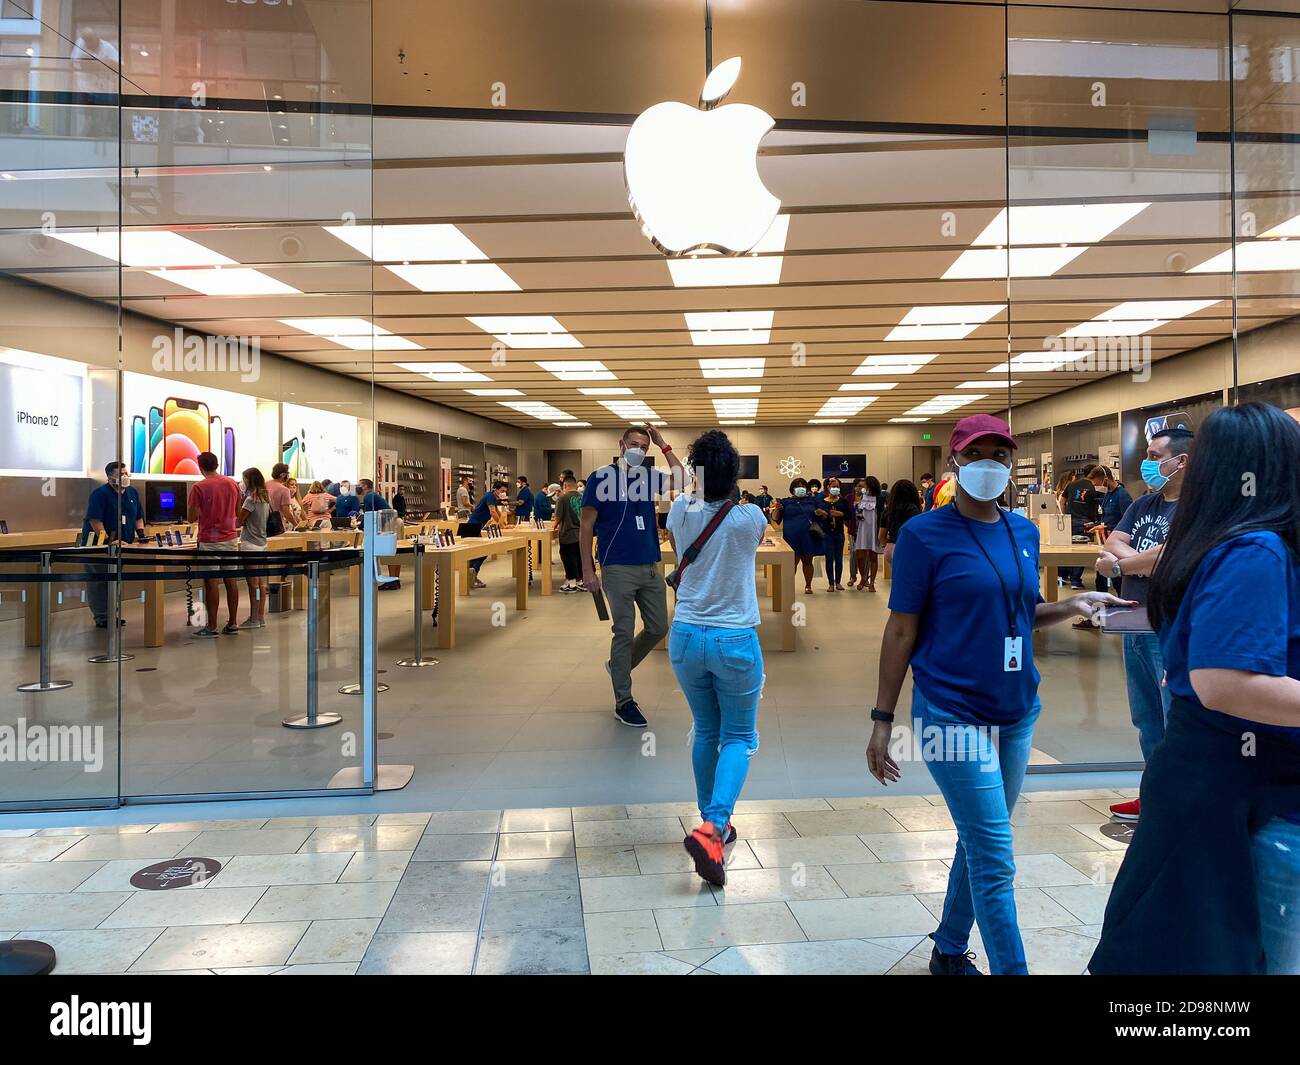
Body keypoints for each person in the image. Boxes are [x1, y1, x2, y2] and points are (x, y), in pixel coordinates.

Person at [866, 414, 1130, 975]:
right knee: (994, 858)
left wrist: (1073, 606)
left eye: (1000, 454)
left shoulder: (1022, 531)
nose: (990, 464)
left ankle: (947, 949)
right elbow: (900, 629)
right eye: (977, 453)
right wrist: (882, 718)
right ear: (953, 463)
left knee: (981, 838)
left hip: (1016, 709)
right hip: (949, 711)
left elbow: (1022, 611)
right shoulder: (922, 535)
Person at [1090, 403, 1300, 975]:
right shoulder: (1254, 552)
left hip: (1221, 787)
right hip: (1244, 798)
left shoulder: (1223, 542)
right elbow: (1224, 682)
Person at [665, 431, 768, 886]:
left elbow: (681, 544)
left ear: (695, 473)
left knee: (706, 729)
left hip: (686, 637)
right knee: (740, 737)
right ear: (734, 474)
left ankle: (711, 826)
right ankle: (715, 824)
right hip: (734, 640)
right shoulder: (751, 518)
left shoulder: (679, 512)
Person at [1095, 427, 1192, 821]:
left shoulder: (1197, 508)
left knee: (1174, 720)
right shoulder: (1145, 504)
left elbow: (1171, 556)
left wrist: (1120, 565)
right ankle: (1153, 795)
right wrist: (1139, 560)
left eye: (1155, 455)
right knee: (1146, 718)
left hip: (1169, 626)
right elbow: (1111, 541)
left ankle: (1178, 803)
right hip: (1132, 623)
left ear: (1181, 461)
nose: (1147, 463)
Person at [581, 425, 683, 727]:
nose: (639, 450)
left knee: (658, 627)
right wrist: (588, 570)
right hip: (617, 567)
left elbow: (684, 479)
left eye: (644, 446)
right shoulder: (601, 478)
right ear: (622, 445)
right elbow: (587, 525)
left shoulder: (649, 478)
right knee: (623, 631)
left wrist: (664, 444)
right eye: (635, 444)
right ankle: (623, 700)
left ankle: (618, 666)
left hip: (650, 565)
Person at [81, 461, 145, 628]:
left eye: (126, 473)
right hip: (99, 547)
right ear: (110, 478)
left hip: (123, 545)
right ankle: (102, 617)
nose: (124, 477)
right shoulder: (100, 494)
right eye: (120, 474)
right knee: (99, 582)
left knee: (115, 581)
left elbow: (138, 516)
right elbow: (95, 520)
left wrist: (141, 535)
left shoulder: (131, 493)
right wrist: (109, 540)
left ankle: (112, 614)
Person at [187, 451, 243, 638]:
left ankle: (211, 627)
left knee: (211, 584)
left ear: (200, 466)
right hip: (230, 539)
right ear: (217, 464)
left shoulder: (198, 487)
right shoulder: (232, 483)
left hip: (209, 541)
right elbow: (237, 511)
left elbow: (191, 517)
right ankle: (233, 623)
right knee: (231, 581)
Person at [1061, 464, 1106, 589]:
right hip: (1086, 522)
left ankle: (1066, 576)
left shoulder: (1072, 484)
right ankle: (1075, 580)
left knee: (1069, 550)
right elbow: (1103, 505)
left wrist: (1065, 515)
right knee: (1080, 551)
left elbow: (1062, 501)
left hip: (1069, 521)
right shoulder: (1096, 487)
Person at [772, 477, 819, 594]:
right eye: (798, 486)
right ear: (792, 489)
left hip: (808, 536)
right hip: (791, 537)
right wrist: (777, 509)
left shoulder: (813, 501)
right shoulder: (785, 502)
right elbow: (775, 519)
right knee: (791, 563)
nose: (801, 488)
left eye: (803, 486)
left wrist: (821, 514)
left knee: (808, 561)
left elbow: (819, 516)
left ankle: (808, 585)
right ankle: (788, 586)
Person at [237, 467, 271, 628]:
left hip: (250, 544)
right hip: (262, 544)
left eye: (243, 479)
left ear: (249, 481)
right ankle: (260, 616)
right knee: (261, 583)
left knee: (252, 584)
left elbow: (240, 521)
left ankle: (253, 618)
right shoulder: (265, 498)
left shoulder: (250, 500)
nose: (242, 483)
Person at [358, 479, 402, 588]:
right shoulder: (373, 495)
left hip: (388, 522)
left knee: (390, 551)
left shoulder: (369, 497)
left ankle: (392, 582)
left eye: (359, 485)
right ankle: (395, 579)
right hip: (394, 520)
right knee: (395, 551)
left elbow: (369, 515)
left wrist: (360, 527)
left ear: (365, 486)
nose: (357, 487)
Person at [465, 481, 509, 588]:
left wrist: (504, 524)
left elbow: (497, 511)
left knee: (480, 551)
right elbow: (492, 512)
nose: (503, 493)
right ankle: (471, 573)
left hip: (475, 526)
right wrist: (501, 526)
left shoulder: (491, 496)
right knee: (480, 551)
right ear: (496, 489)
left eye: (505, 491)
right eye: (502, 491)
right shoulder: (490, 496)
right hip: (473, 526)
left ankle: (472, 574)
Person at [881, 478, 922, 569]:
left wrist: (890, 542)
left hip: (890, 547)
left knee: (896, 578)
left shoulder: (888, 510)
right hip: (906, 548)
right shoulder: (912, 509)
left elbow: (881, 537)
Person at [853, 475, 885, 592]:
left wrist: (881, 532)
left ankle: (872, 582)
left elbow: (882, 515)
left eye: (865, 484)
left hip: (874, 529)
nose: (863, 487)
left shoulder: (879, 498)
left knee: (873, 556)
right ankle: (863, 578)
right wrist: (857, 512)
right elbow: (855, 510)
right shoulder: (861, 496)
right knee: (860, 556)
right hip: (861, 529)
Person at [818, 477, 851, 591]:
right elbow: (817, 516)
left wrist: (840, 514)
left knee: (839, 558)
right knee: (829, 558)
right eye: (833, 487)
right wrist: (822, 514)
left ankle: (838, 582)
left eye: (837, 487)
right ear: (828, 487)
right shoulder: (822, 501)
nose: (835, 488)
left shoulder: (843, 501)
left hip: (839, 533)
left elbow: (849, 515)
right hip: (827, 533)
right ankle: (830, 583)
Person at [553, 476, 583, 591]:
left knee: (568, 558)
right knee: (579, 557)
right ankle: (580, 581)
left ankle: (572, 584)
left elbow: (558, 517)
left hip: (568, 533)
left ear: (565, 486)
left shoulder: (562, 498)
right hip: (581, 533)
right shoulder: (582, 497)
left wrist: (554, 526)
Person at [267, 462, 297, 536]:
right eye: (287, 473)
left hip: (263, 523)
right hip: (276, 525)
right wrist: (296, 525)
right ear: (283, 475)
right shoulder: (284, 490)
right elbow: (286, 512)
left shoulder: (265, 484)